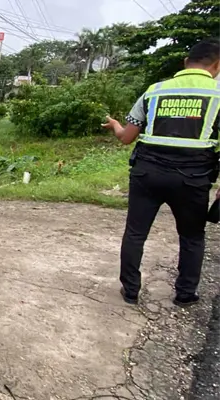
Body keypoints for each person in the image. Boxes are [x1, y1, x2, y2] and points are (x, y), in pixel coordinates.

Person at [102, 38, 220, 307]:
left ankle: (130, 291)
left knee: (135, 233)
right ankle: (185, 294)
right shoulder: (217, 95)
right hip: (192, 179)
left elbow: (126, 137)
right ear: (216, 66)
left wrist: (116, 125)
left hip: (147, 174)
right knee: (191, 237)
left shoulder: (153, 91)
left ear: (185, 63)